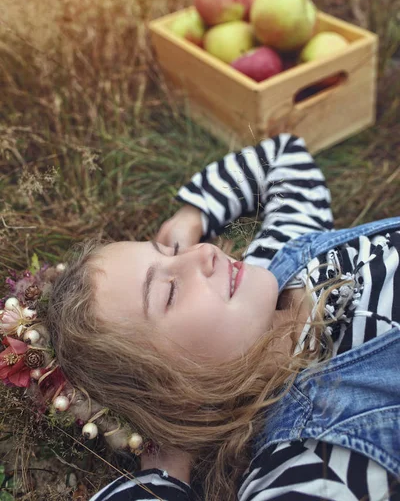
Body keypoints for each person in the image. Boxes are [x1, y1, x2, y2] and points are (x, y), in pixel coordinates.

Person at [1, 133, 399, 501]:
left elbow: (284, 158)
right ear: (177, 392)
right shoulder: (311, 460)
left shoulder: (279, 263)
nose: (203, 253)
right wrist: (164, 476)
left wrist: (192, 215)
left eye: (172, 253)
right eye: (170, 291)